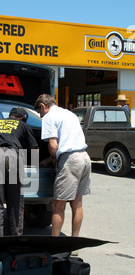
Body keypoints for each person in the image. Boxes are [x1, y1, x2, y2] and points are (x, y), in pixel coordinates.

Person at [34, 94, 91, 237]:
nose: (40, 116)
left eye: (39, 113)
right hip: (84, 158)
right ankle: (74, 243)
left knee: (58, 205)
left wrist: (52, 158)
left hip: (70, 161)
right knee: (77, 203)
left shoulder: (49, 117)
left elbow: (53, 146)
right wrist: (49, 160)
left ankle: (55, 244)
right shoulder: (69, 114)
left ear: (43, 106)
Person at [0, 107, 38, 237]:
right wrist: (36, 166)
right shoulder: (23, 125)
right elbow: (34, 148)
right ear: (23, 118)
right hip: (13, 156)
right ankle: (15, 239)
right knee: (15, 201)